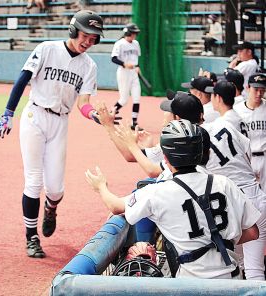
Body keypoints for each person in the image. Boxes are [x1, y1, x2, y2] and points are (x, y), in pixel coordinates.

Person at [85, 119, 260, 279]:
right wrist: (220, 241)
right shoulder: (224, 183)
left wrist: (101, 186)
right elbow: (253, 232)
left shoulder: (158, 191)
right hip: (232, 280)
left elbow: (115, 206)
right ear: (200, 153)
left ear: (166, 158)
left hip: (192, 283)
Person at [0, 10, 105, 258]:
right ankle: (31, 237)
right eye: (86, 36)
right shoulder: (47, 49)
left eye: (94, 38)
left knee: (55, 189)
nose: (88, 42)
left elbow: (83, 102)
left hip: (60, 122)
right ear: (73, 30)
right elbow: (23, 79)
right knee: (34, 181)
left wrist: (95, 115)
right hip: (35, 116)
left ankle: (51, 207)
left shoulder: (89, 66)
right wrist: (8, 113)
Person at [202, 80, 266, 280]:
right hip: (251, 186)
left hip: (236, 199)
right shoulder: (234, 116)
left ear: (218, 98)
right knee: (249, 266)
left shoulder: (223, 123)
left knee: (239, 264)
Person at [97, 91, 204, 178]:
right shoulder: (201, 133)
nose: (164, 114)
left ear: (177, 118)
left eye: (168, 110)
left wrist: (109, 126)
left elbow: (144, 165)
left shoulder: (180, 139)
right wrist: (149, 147)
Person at [234, 73, 266, 192]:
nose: (259, 93)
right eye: (256, 89)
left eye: (262, 90)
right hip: (247, 159)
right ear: (247, 88)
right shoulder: (237, 110)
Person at [111, 23, 142, 130]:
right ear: (128, 33)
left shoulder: (136, 43)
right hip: (123, 72)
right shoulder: (120, 44)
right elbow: (113, 58)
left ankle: (134, 122)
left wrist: (138, 67)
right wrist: (124, 64)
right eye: (133, 33)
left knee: (137, 98)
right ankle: (111, 113)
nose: (135, 35)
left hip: (133, 73)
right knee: (124, 99)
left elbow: (136, 59)